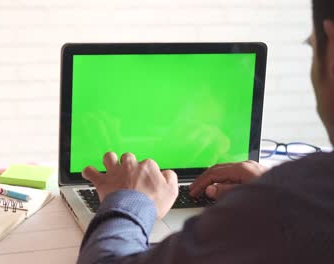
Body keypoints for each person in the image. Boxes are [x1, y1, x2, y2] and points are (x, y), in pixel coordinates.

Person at [76, 0, 334, 263]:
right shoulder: (307, 197)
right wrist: (274, 192)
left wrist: (128, 200)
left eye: (312, 47)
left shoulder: (303, 198)